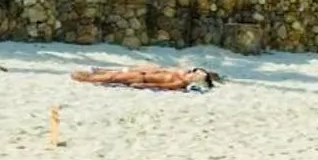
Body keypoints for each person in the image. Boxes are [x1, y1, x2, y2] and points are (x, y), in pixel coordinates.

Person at [72, 65, 221, 92]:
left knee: (113, 78)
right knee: (115, 75)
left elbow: (163, 87)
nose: (191, 72)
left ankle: (86, 79)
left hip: (142, 79)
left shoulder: (180, 82)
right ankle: (92, 75)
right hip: (144, 73)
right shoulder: (181, 74)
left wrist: (145, 86)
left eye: (194, 73)